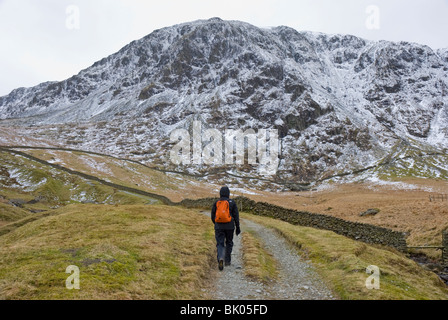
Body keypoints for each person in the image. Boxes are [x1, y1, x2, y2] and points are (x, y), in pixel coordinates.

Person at [211, 186, 241, 271]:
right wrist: (237, 227)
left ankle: (220, 257)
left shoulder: (217, 202)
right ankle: (227, 261)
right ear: (228, 193)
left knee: (220, 243)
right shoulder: (232, 202)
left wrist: (216, 224)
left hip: (219, 226)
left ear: (220, 193)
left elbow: (213, 215)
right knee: (229, 242)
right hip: (230, 226)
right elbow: (236, 216)